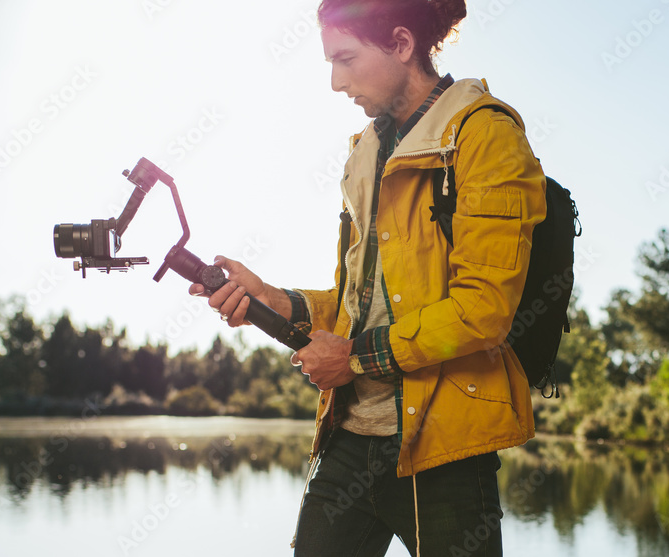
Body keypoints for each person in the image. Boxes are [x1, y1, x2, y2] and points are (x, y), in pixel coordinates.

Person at [190, 0, 546, 554]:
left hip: (443, 446)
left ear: (402, 45)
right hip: (350, 435)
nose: (335, 82)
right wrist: (274, 299)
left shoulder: (485, 136)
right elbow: (360, 305)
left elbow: (484, 311)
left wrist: (353, 358)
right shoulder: (366, 153)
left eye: (346, 59)